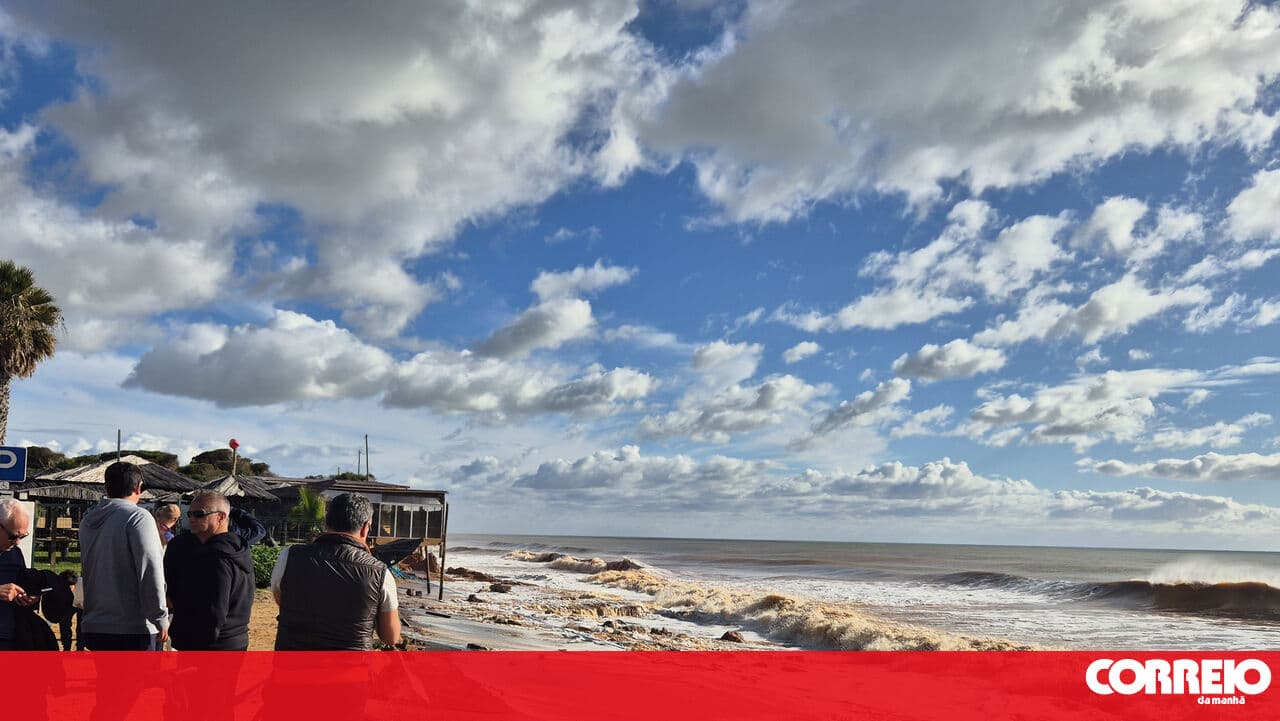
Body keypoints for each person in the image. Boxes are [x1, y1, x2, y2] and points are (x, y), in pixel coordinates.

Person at [272, 492, 401, 650]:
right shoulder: (380, 573)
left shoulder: (289, 556)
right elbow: (390, 637)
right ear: (365, 527)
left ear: (326, 522)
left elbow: (281, 599)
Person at [78, 462, 169, 650]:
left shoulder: (88, 520)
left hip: (94, 623)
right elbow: (150, 571)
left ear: (107, 487)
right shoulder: (138, 517)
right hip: (132, 627)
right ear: (139, 487)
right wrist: (160, 617)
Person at [163, 490, 253, 650]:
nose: (192, 519)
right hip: (234, 640)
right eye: (189, 514)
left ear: (221, 517)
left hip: (211, 646)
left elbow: (213, 612)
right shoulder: (237, 548)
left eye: (199, 514)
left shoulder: (215, 556)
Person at [0, 498, 38, 650]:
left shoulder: (15, 553)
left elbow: (23, 584)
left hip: (10, 638)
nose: (17, 542)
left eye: (22, 536)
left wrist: (28, 597)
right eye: (13, 536)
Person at [57, 570, 83, 651]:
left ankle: (80, 647)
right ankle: (66, 646)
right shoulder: (59, 585)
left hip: (82, 603)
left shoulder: (84, 584)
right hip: (69, 603)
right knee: (64, 622)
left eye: (69, 587)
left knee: (81, 625)